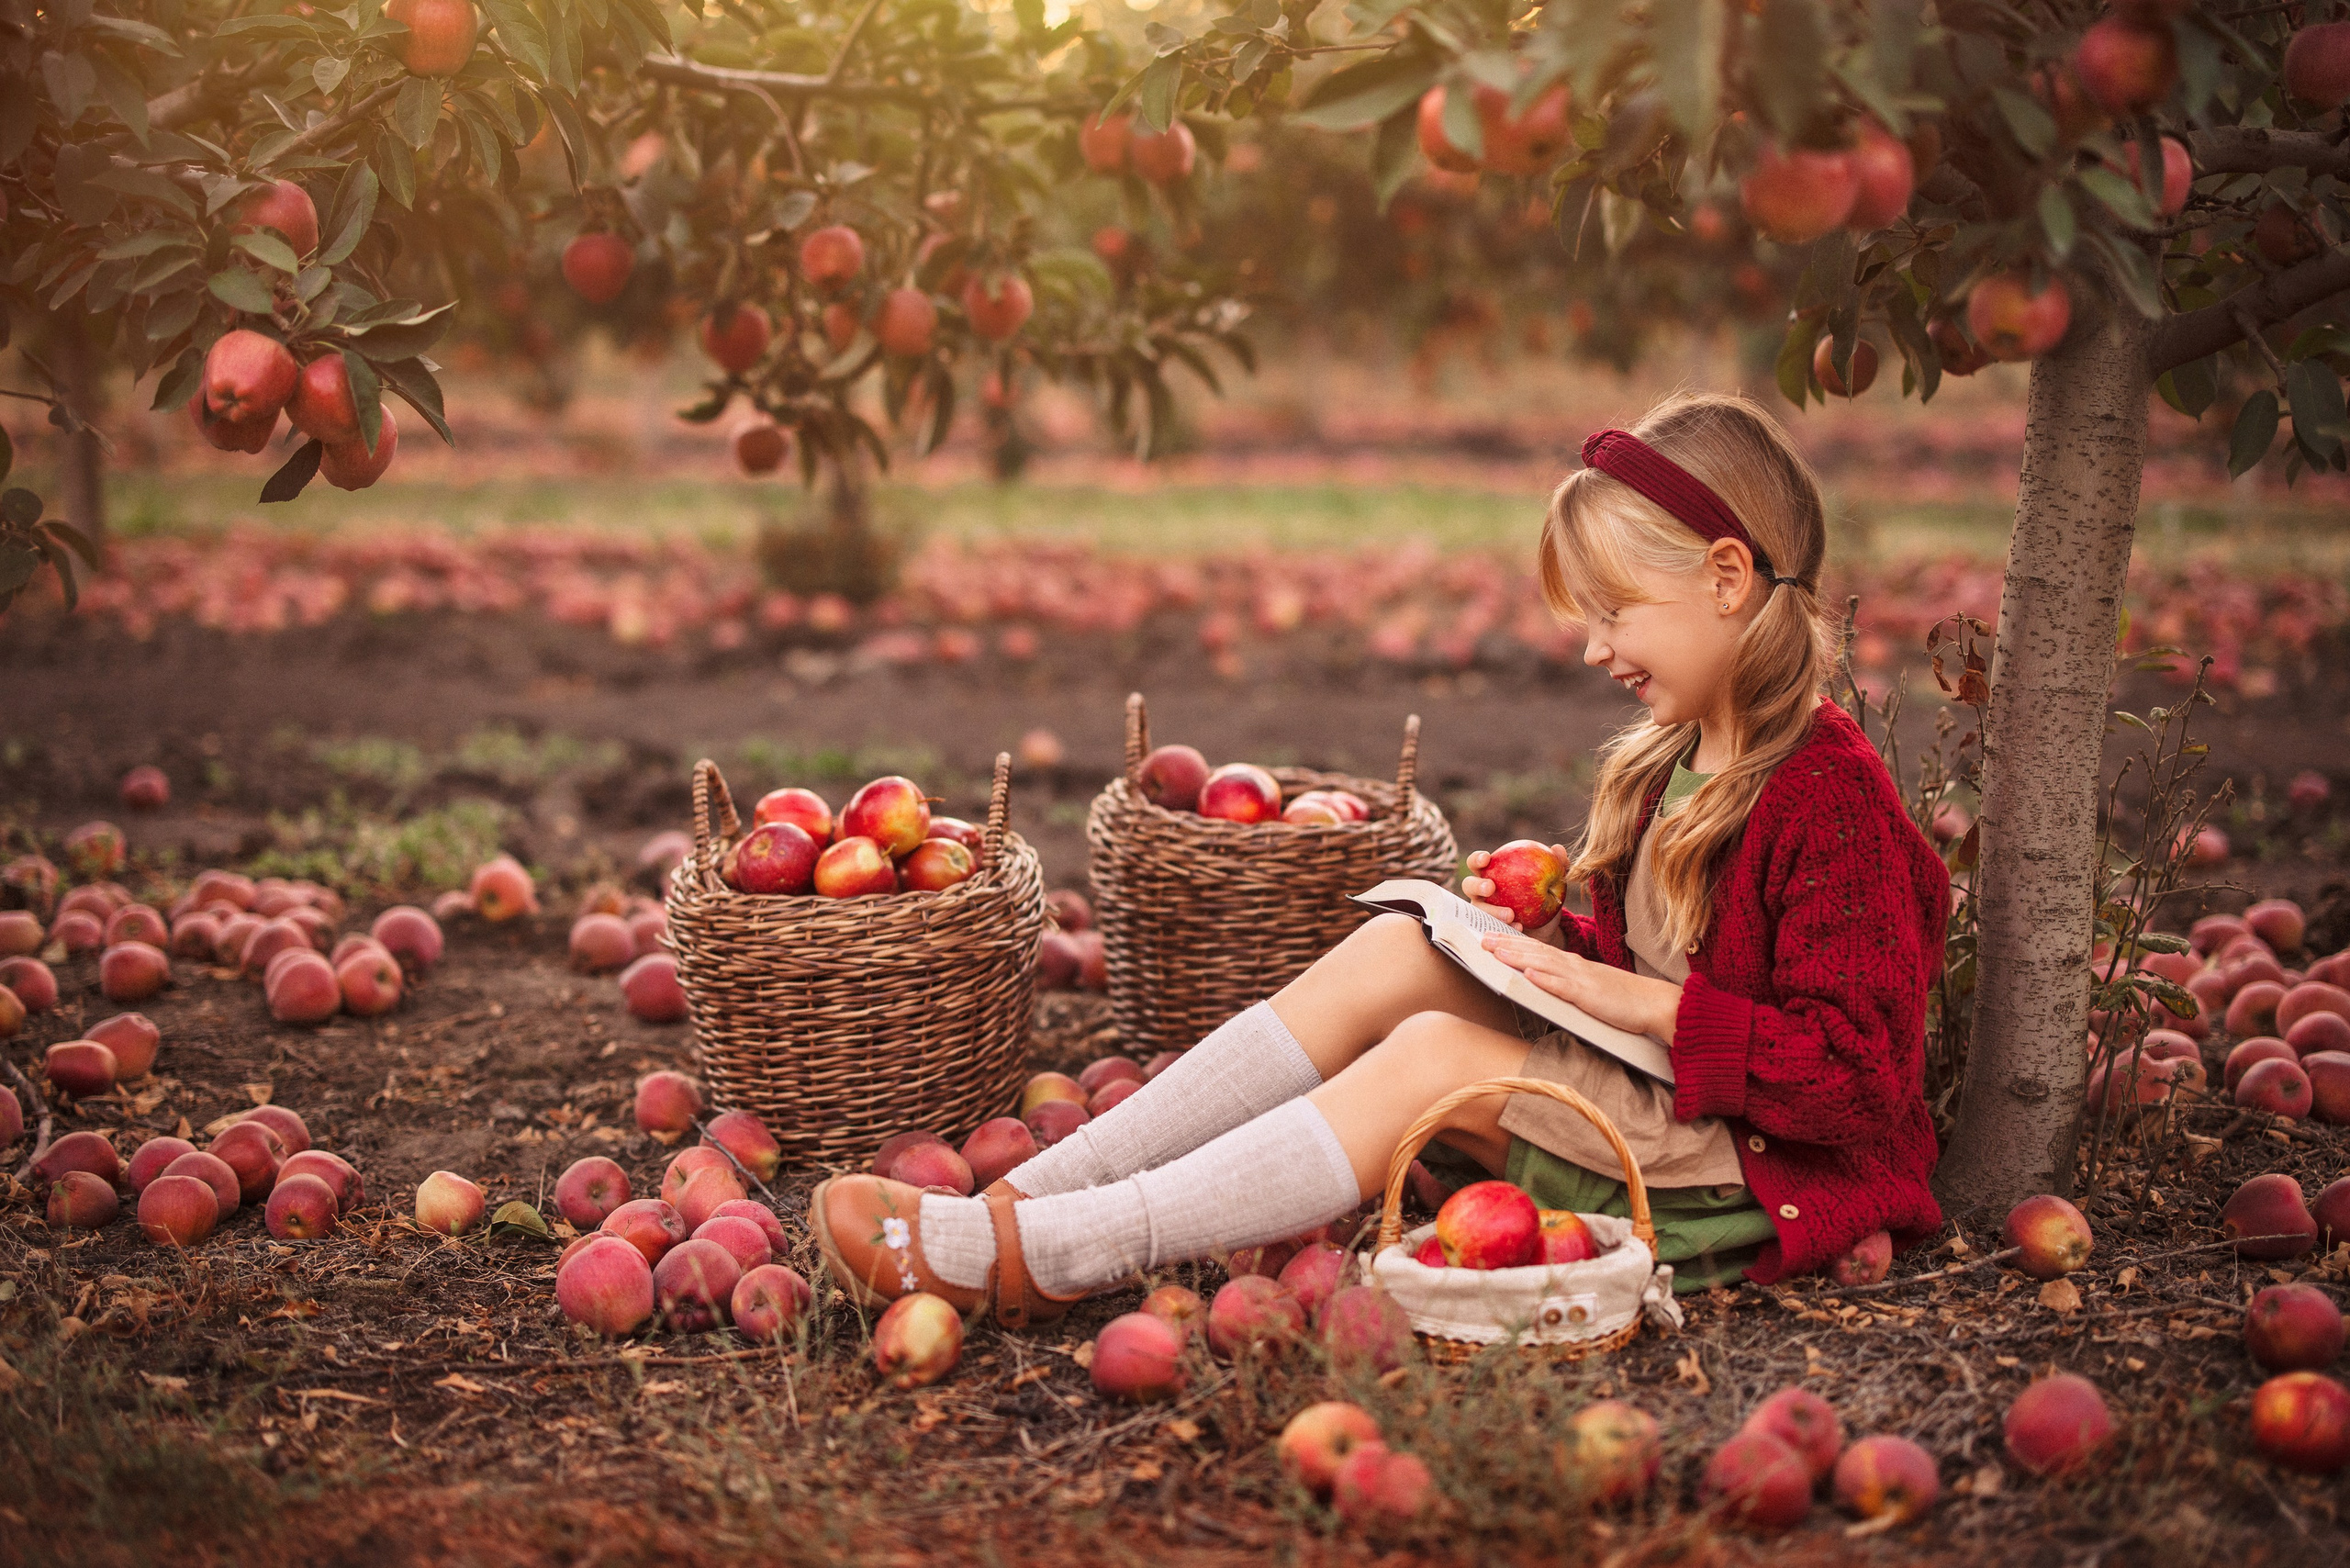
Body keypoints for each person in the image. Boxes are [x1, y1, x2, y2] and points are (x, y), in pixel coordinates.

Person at [811, 390, 1950, 1327]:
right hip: (1670, 1098)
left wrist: (1635, 1001)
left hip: (1751, 1173)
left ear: (1724, 578)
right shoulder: (1673, 755)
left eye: (1615, 611)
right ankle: (1036, 1193)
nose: (1595, 646)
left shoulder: (1827, 795)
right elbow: (1657, 955)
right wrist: (1539, 947)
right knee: (1394, 954)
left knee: (1430, 1055)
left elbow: (1857, 1078)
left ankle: (1049, 1253)